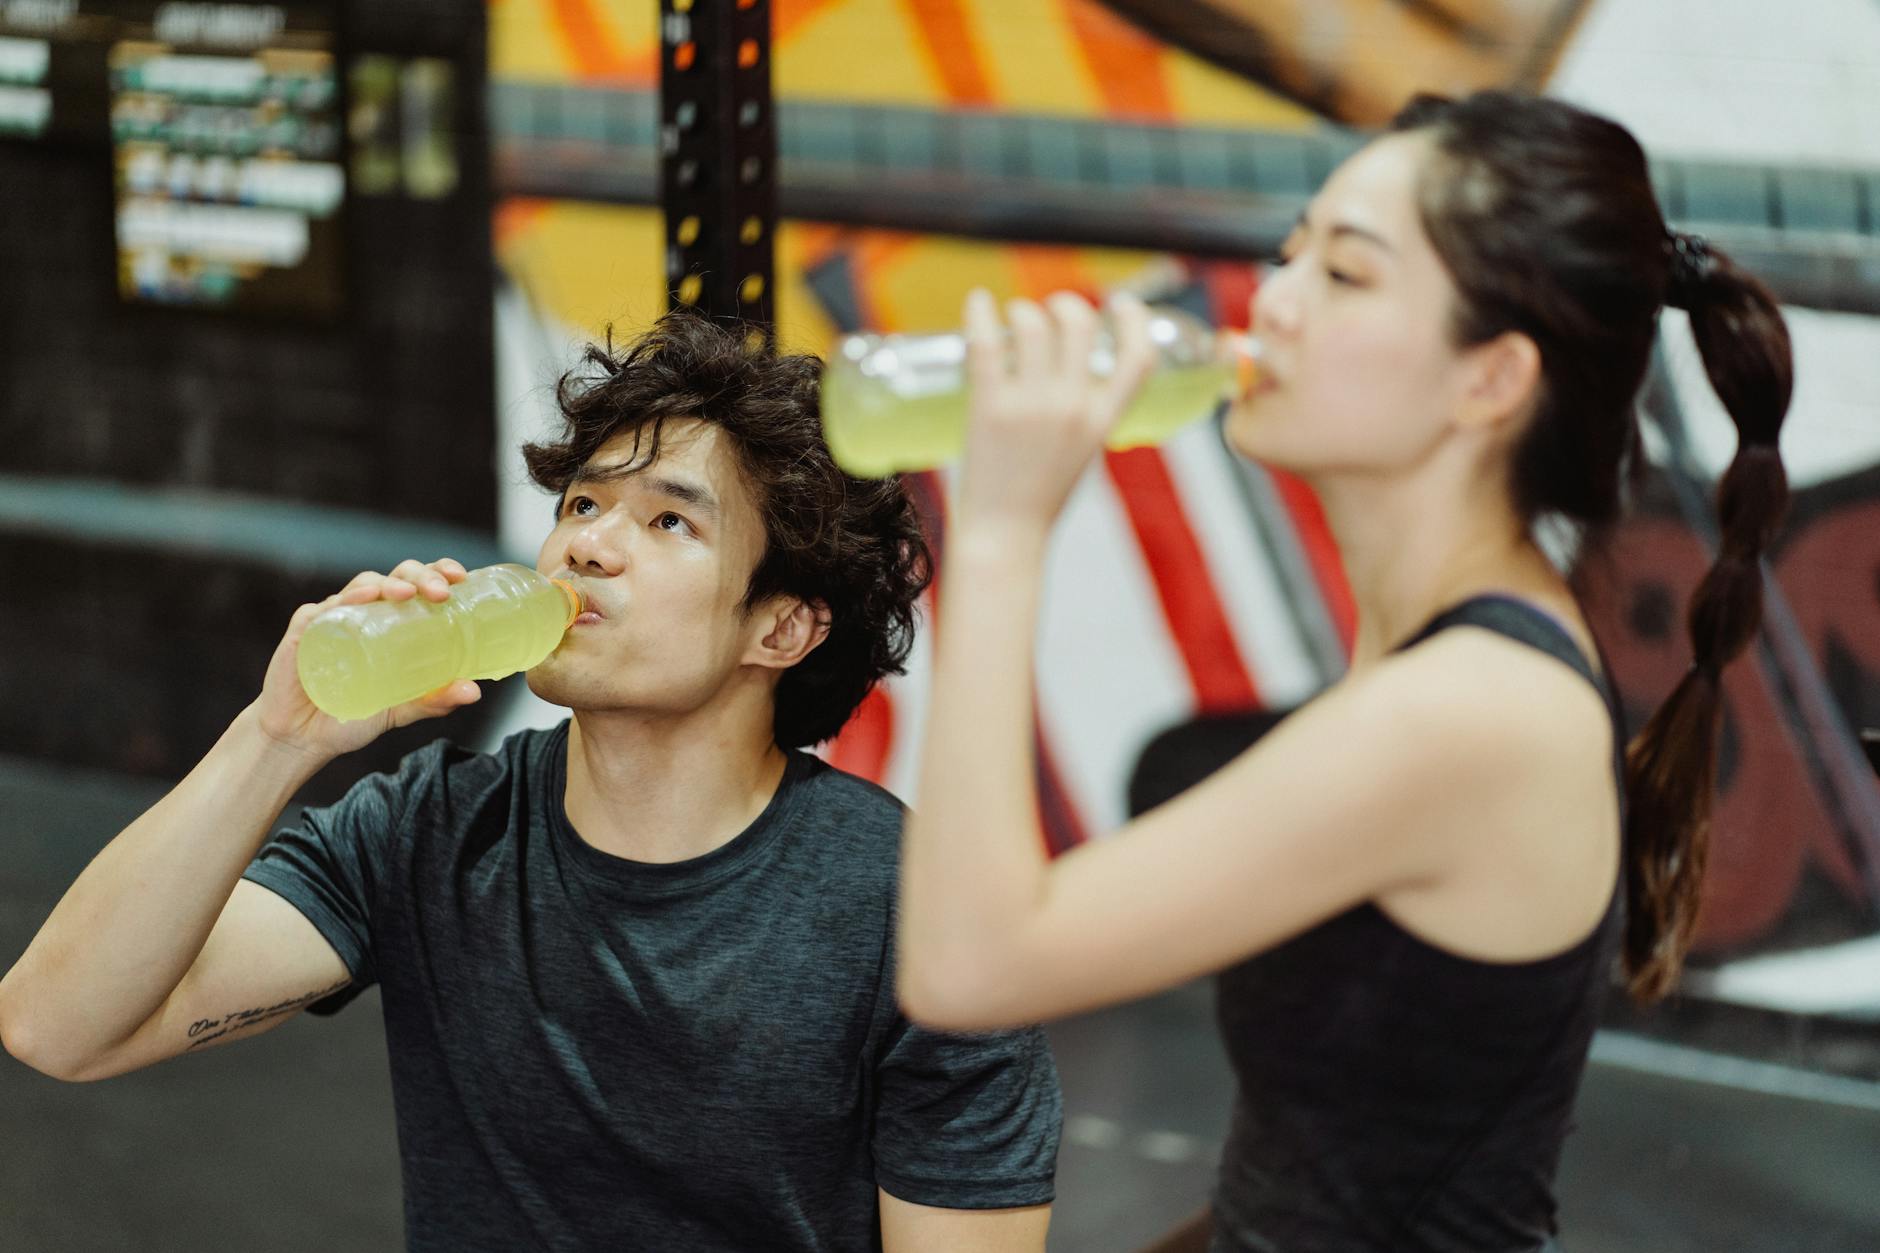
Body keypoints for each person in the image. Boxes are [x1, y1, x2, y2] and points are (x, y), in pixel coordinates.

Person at [895, 89, 1791, 1252]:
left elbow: (971, 963)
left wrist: (1007, 526)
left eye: (1345, 275)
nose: (1271, 302)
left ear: (1488, 380)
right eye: (1288, 252)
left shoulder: (1468, 709)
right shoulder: (1436, 648)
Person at [0, 310, 1062, 1252]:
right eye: (583, 502)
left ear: (780, 626)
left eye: (667, 520)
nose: (589, 546)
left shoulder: (916, 912)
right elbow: (58, 1026)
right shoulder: (429, 827)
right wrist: (276, 738)